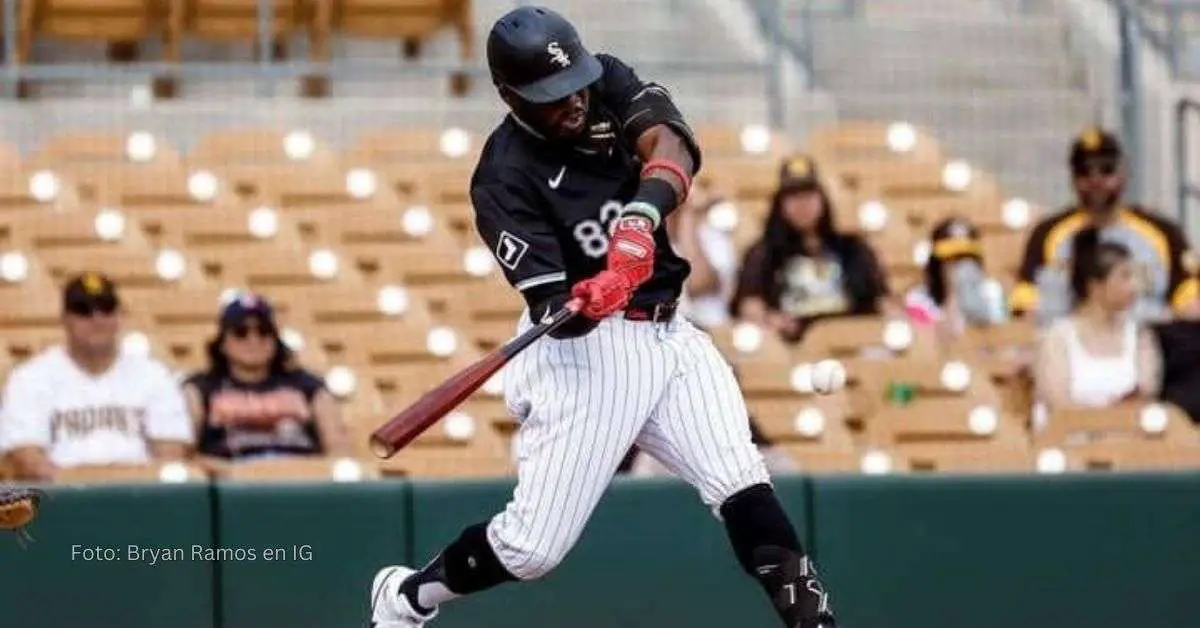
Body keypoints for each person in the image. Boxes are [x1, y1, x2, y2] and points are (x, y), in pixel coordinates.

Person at [368, 7, 838, 628]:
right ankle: (408, 598)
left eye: (575, 85)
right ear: (509, 97)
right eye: (550, 97)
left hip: (673, 334)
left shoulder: (607, 83)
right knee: (532, 549)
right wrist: (594, 297)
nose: (572, 103)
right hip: (586, 355)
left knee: (743, 486)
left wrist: (640, 221)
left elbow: (672, 147)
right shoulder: (502, 178)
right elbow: (555, 315)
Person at [0, 273, 192, 480]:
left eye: (106, 309)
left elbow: (171, 455)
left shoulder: (154, 375)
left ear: (119, 316)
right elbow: (27, 460)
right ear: (65, 319)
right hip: (62, 499)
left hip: (140, 496)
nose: (97, 319)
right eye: (84, 311)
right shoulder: (31, 377)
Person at [1012, 127, 1199, 325]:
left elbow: (1190, 302)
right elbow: (1025, 307)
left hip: (1148, 342)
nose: (1096, 181)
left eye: (1106, 170)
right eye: (1084, 172)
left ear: (1123, 173)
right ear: (1073, 179)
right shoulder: (1047, 234)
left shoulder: (1163, 232)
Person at [731, 154, 891, 343]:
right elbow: (749, 303)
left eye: (809, 195)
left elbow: (881, 300)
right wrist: (770, 320)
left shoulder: (853, 249)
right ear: (779, 204)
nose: (802, 204)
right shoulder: (763, 253)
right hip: (792, 346)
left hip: (854, 342)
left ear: (823, 199)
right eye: (793, 196)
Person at [181, 292, 349, 461]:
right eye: (241, 332)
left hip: (299, 480)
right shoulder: (199, 389)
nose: (253, 340)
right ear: (223, 343)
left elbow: (338, 450)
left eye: (263, 331)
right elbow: (184, 455)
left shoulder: (310, 387)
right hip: (229, 481)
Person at [1032, 229, 1162, 430]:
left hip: (1127, 443)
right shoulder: (1058, 337)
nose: (1134, 287)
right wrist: (1104, 420)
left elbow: (1146, 394)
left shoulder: (1140, 336)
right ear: (1095, 285)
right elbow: (1058, 404)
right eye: (1124, 277)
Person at [905, 217, 1008, 342]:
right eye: (952, 258)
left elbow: (998, 336)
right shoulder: (918, 298)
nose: (962, 266)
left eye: (967, 257)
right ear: (936, 262)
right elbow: (932, 342)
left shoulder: (992, 292)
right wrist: (953, 293)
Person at [666, 180, 739, 329]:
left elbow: (700, 285)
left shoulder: (714, 237)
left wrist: (688, 217)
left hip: (706, 333)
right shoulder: (643, 242)